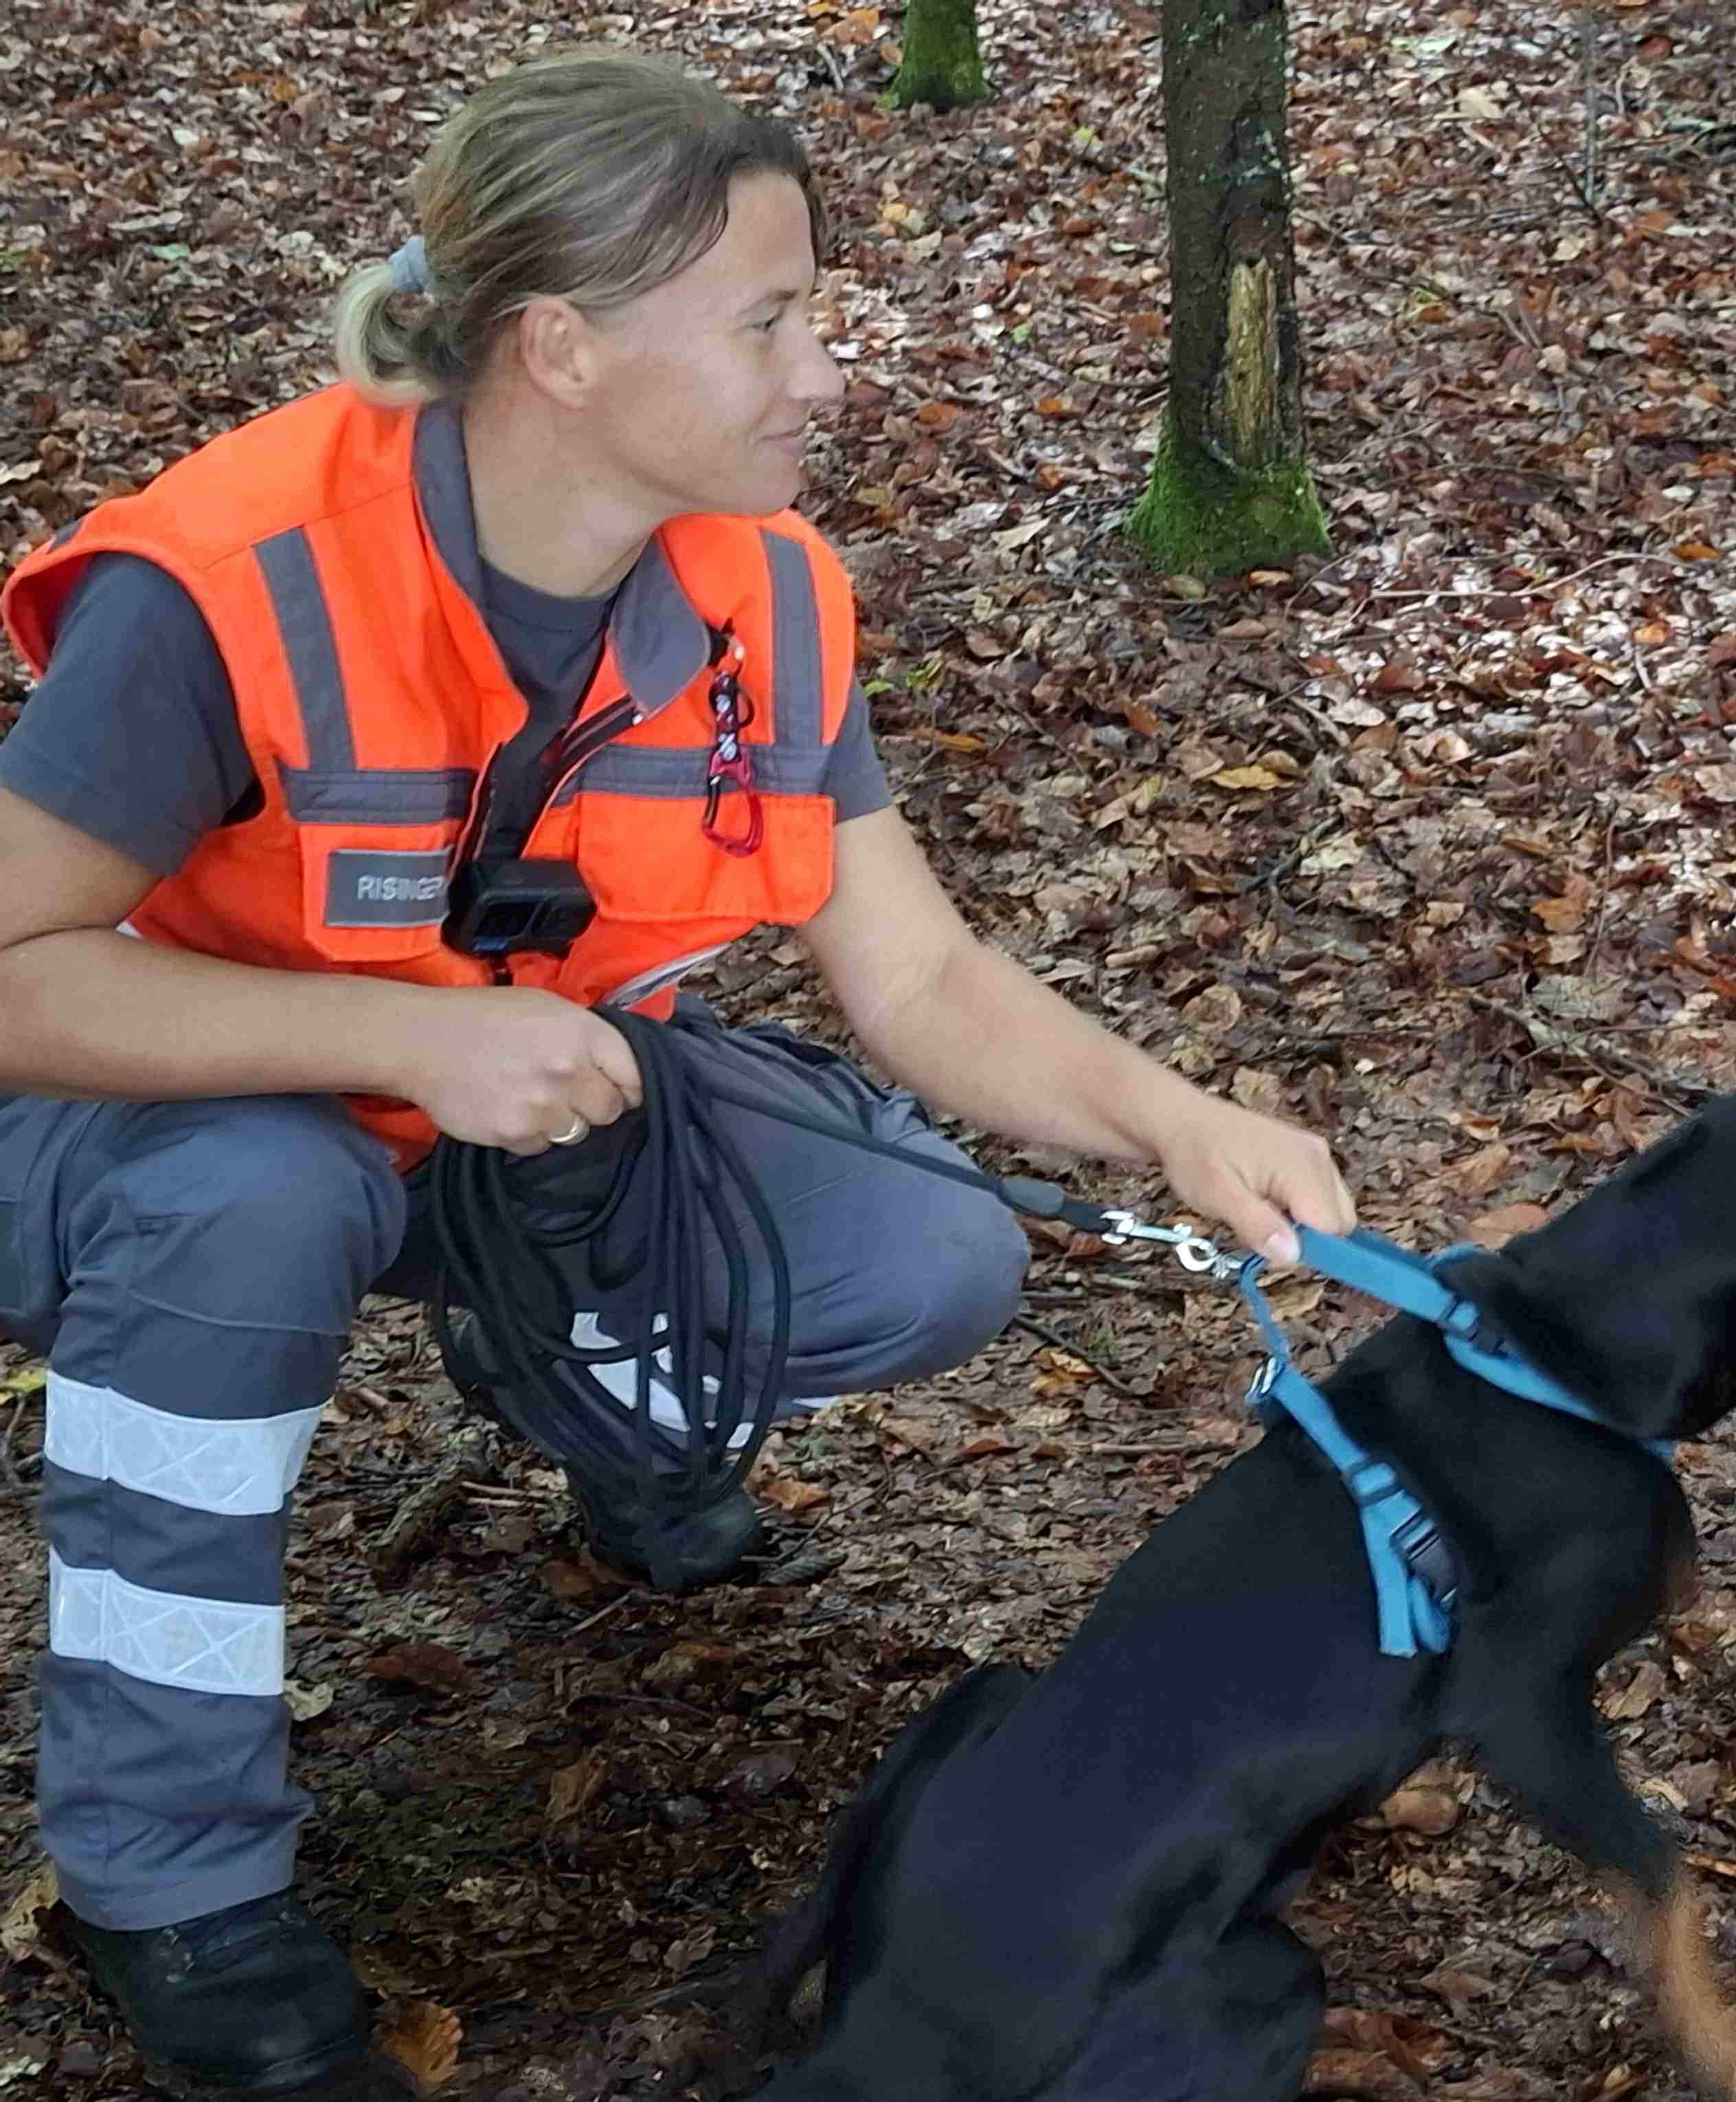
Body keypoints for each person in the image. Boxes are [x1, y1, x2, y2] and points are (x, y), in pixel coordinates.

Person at [0, 46, 1355, 2093]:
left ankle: (569, 1375)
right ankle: (167, 1875)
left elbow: (921, 974)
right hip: (169, 1126)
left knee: (919, 1247)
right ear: (561, 348)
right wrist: (405, 1036)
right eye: (771, 321)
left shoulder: (763, 586)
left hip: (529, 1114)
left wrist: (1180, 1121)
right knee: (254, 1205)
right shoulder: (240, 577)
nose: (827, 370)